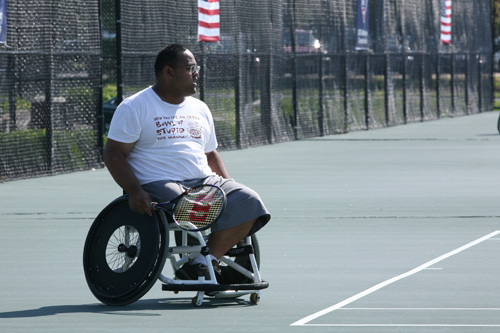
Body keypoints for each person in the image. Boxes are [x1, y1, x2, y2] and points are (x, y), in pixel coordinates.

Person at [104, 43, 270, 281]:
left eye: (196, 68)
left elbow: (210, 155)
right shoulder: (135, 106)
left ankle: (202, 263)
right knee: (193, 206)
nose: (196, 73)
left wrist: (229, 185)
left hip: (204, 180)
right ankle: (205, 262)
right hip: (159, 182)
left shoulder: (200, 108)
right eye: (190, 68)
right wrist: (134, 191)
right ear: (168, 72)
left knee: (249, 200)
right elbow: (113, 154)